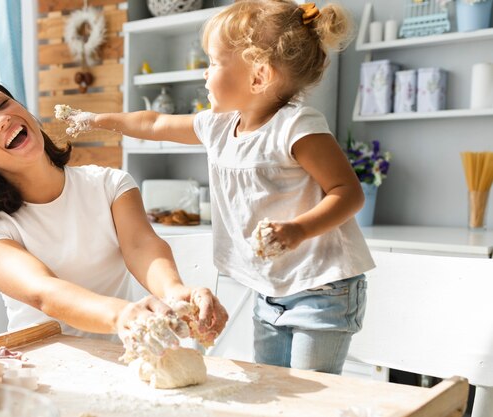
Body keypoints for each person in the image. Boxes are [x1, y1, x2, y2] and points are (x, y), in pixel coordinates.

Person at [57, 0, 376, 374]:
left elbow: (348, 192)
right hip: (270, 289)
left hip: (323, 287)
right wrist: (98, 119)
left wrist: (298, 230)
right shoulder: (218, 125)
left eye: (214, 63)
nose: (205, 76)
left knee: (309, 393)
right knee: (273, 383)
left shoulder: (297, 127)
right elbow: (155, 122)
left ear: (258, 77)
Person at [0, 78, 228, 345]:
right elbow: (44, 291)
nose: (1, 118)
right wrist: (121, 315)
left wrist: (173, 290)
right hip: (37, 370)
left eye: (2, 104)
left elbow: (141, 246)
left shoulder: (110, 184)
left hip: (118, 360)